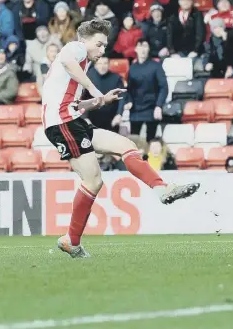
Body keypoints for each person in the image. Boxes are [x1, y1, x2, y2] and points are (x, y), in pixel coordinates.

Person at [41, 19, 199, 259]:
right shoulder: (76, 49)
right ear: (86, 40)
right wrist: (96, 91)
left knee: (127, 145)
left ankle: (161, 189)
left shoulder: (79, 62)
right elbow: (66, 61)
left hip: (71, 118)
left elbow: (73, 102)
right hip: (63, 123)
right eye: (100, 44)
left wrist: (99, 100)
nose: (103, 51)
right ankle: (71, 240)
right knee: (93, 181)